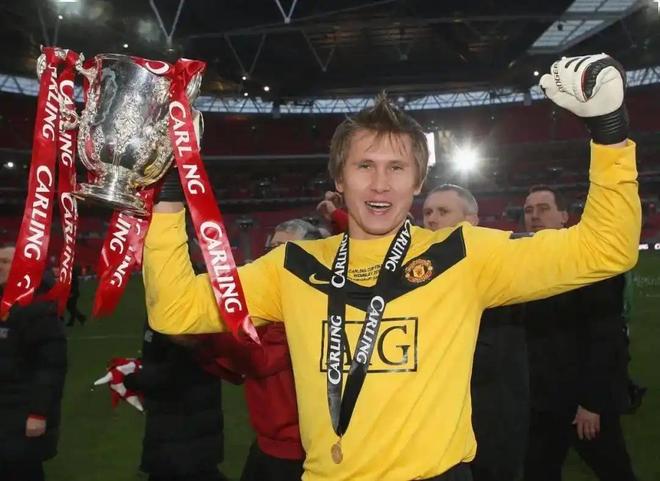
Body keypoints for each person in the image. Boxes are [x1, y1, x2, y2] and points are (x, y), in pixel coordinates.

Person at [143, 54, 640, 481]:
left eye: (397, 168)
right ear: (340, 178)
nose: (380, 184)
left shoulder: (462, 256)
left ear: (418, 181)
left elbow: (607, 248)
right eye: (364, 166)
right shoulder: (293, 266)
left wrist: (610, 133)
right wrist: (166, 194)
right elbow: (176, 311)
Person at [521, 185, 637, 481]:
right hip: (541, 403)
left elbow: (607, 339)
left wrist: (593, 403)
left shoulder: (588, 261)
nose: (534, 216)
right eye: (528, 210)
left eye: (543, 209)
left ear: (564, 216)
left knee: (615, 472)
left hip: (583, 403)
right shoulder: (522, 265)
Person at [201, 219, 322, 481]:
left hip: (297, 453)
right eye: (271, 248)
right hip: (269, 445)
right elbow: (238, 369)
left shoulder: (308, 307)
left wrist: (207, 331)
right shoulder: (271, 301)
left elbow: (261, 361)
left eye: (283, 249)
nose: (272, 257)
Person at [422, 184, 528, 481]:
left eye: (443, 211)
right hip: (439, 425)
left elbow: (494, 352)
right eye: (427, 212)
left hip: (490, 417)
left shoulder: (495, 269)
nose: (432, 219)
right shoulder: (420, 274)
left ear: (471, 221)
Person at [103, 322, 228, 481]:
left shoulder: (175, 317)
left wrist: (130, 380)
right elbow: (167, 361)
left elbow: (174, 373)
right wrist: (139, 366)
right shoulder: (171, 315)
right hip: (185, 423)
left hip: (180, 425)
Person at [0, 244, 67, 481]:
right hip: (5, 407)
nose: (0, 266)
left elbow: (50, 367)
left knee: (21, 469)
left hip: (22, 412)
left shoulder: (38, 307)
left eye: (5, 262)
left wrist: (38, 413)